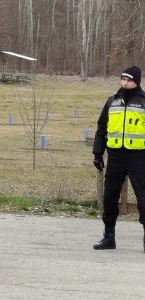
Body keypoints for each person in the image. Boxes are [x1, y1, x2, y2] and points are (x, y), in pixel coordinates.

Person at [93, 66, 145, 251]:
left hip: (138, 157)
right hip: (116, 156)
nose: (124, 82)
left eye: (128, 79)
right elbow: (101, 129)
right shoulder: (111, 101)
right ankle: (109, 236)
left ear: (136, 81)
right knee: (110, 197)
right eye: (122, 79)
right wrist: (97, 153)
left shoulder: (144, 102)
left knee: (143, 198)